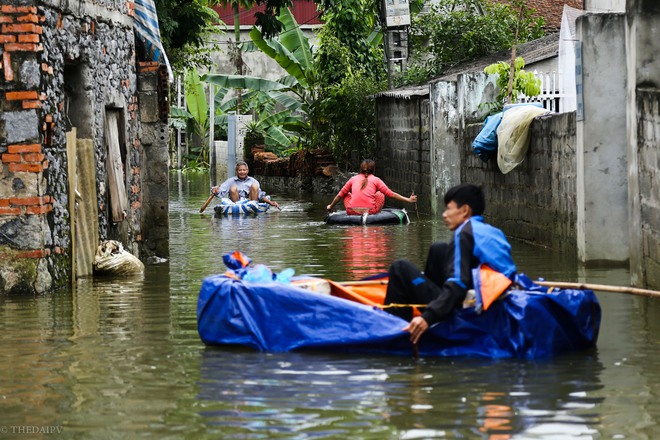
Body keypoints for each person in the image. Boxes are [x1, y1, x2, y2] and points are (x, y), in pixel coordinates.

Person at [384, 183, 516, 344]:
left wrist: (428, 317)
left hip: (469, 309)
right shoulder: (493, 231)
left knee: (400, 267)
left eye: (449, 209)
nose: (444, 215)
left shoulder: (464, 234)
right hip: (496, 301)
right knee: (438, 248)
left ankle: (392, 331)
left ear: (465, 210)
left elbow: (458, 284)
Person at [326, 159, 417, 215]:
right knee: (381, 193)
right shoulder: (376, 180)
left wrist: (330, 206)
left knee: (345, 194)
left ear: (361, 169)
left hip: (352, 211)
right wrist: (408, 200)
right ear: (373, 170)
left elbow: (339, 195)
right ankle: (377, 214)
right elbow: (391, 194)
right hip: (370, 212)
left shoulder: (353, 179)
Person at [211, 161, 280, 209]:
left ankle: (253, 206)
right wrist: (215, 189)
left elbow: (260, 195)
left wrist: (270, 202)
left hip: (251, 202)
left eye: (244, 170)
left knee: (254, 186)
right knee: (233, 188)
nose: (242, 172)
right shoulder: (231, 181)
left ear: (247, 171)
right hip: (236, 204)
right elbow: (220, 191)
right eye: (240, 170)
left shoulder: (253, 181)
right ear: (237, 171)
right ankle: (237, 208)